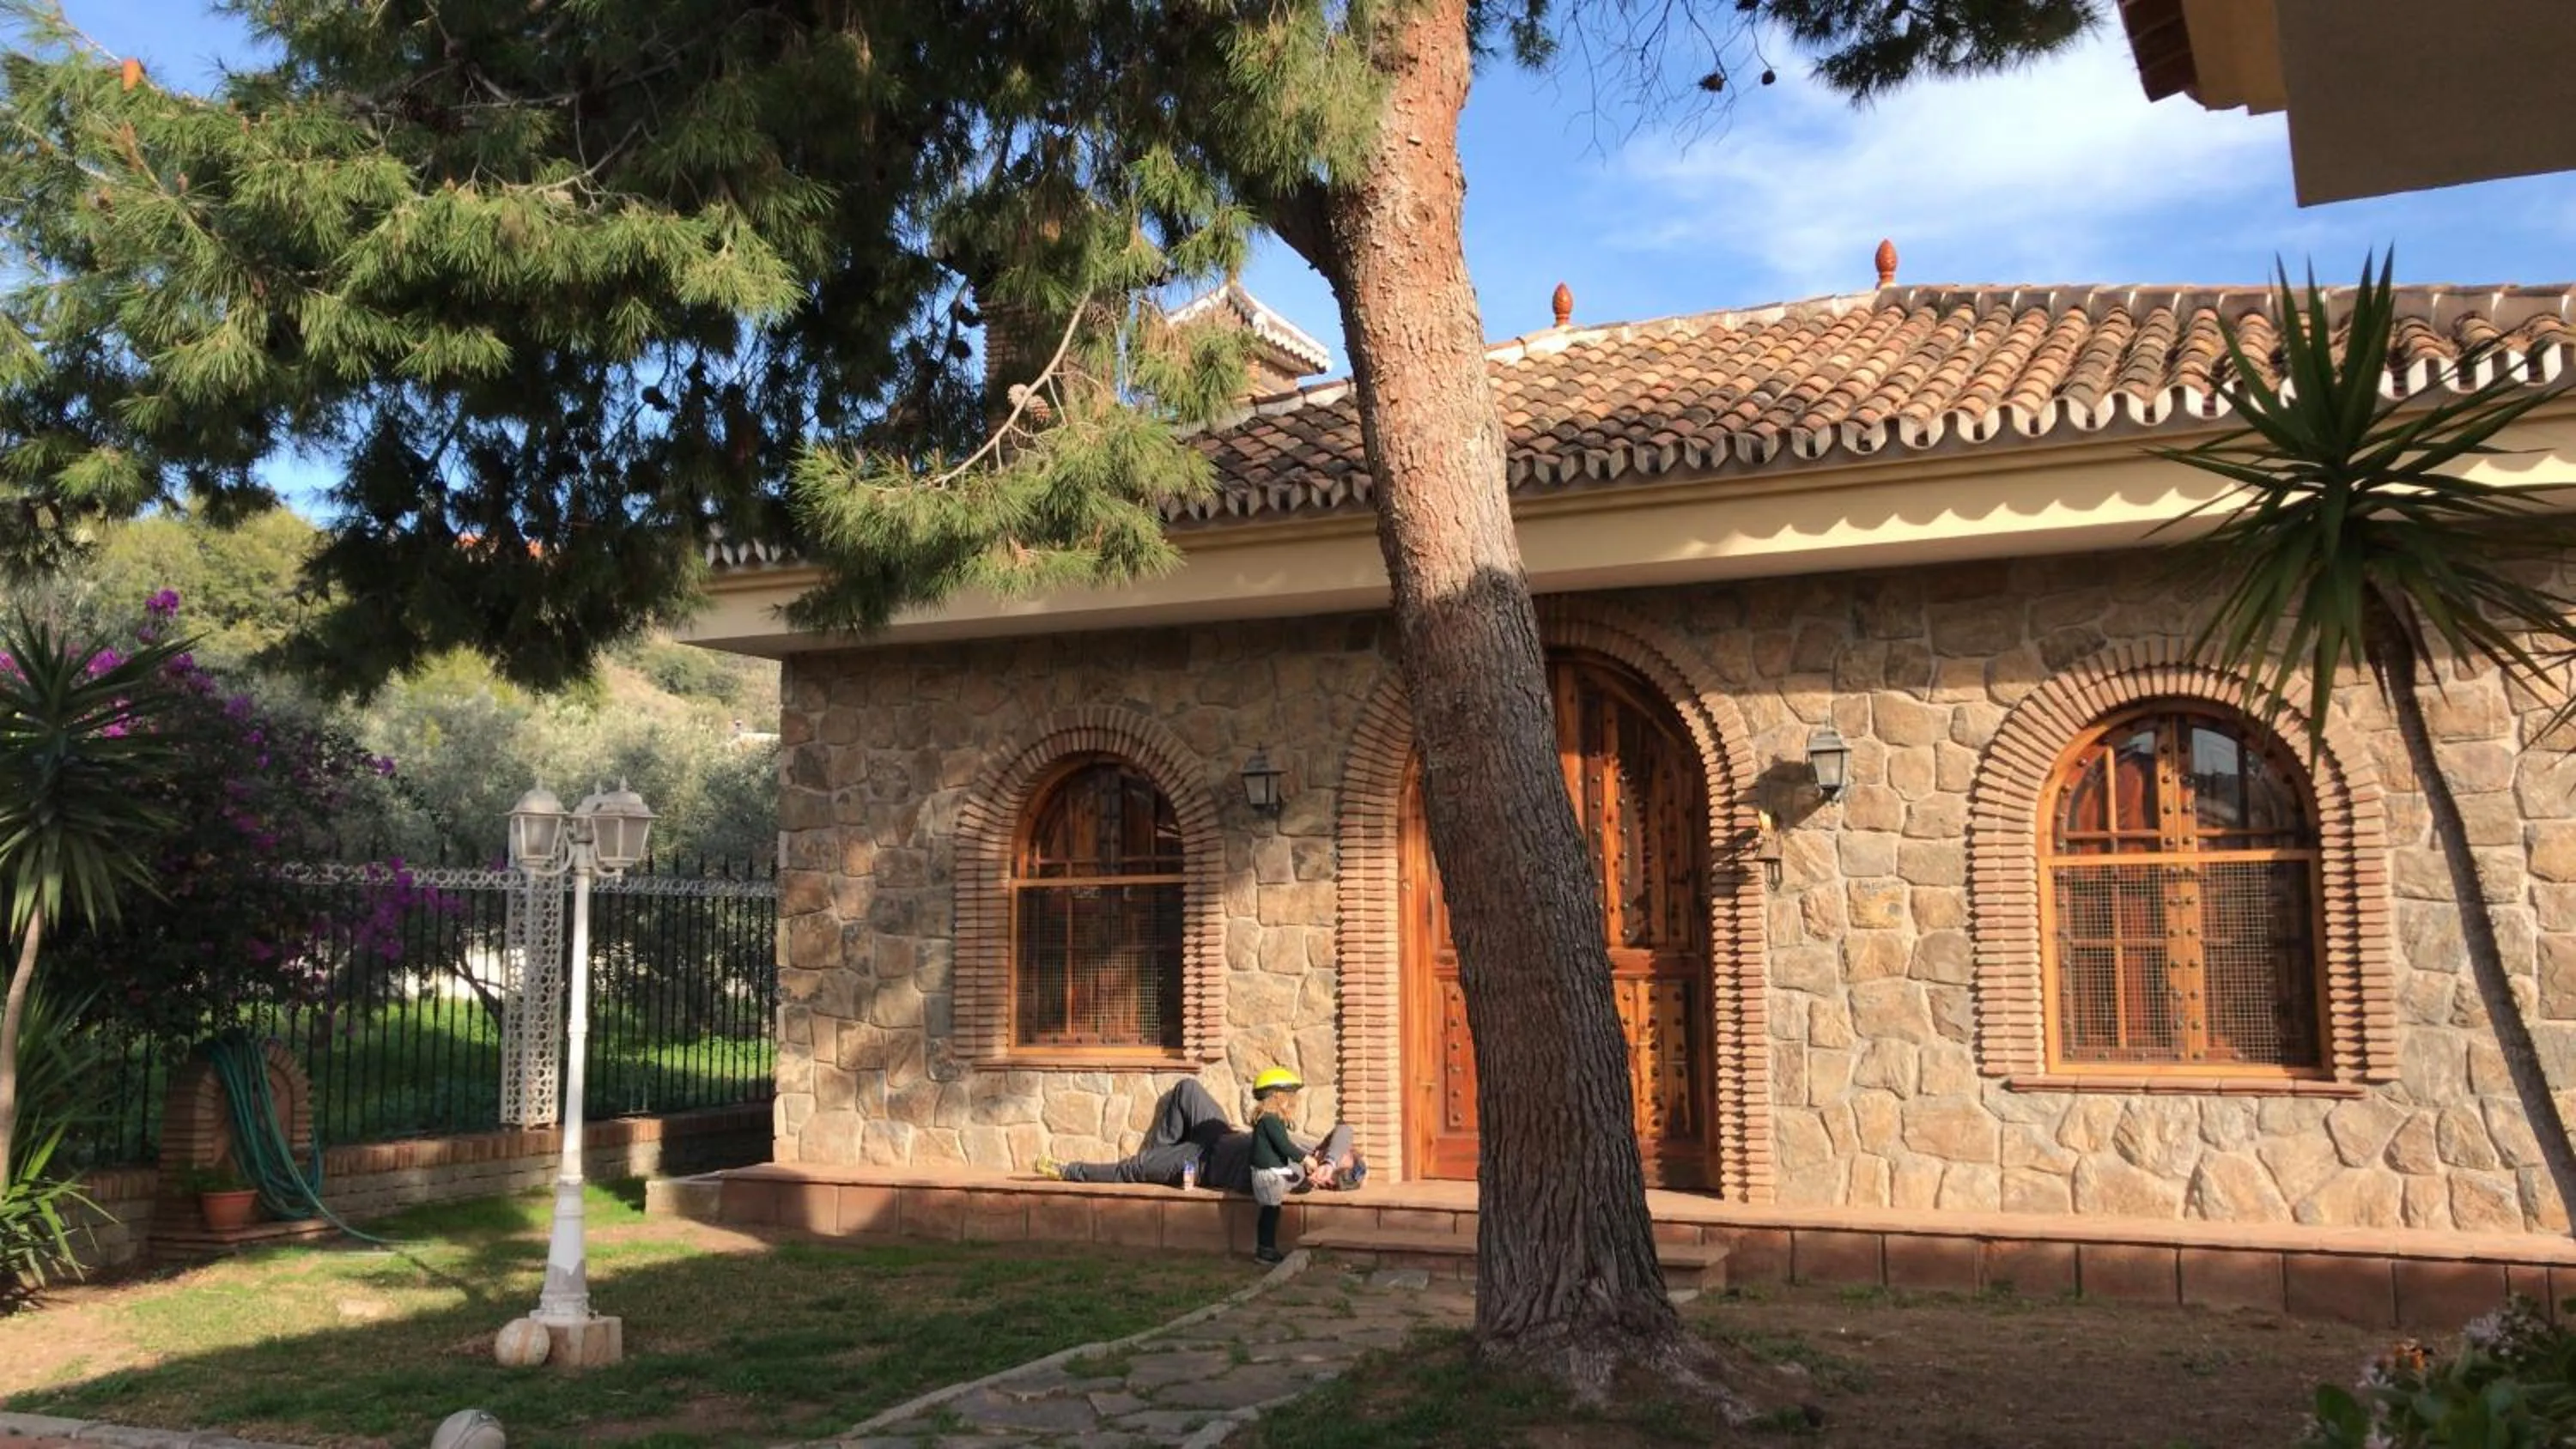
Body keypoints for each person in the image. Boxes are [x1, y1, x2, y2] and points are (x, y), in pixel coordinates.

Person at [1035, 1071, 1365, 1260]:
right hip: (1219, 1132)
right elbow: (1344, 1130)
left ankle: (1067, 1170)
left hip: (1199, 1162)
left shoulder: (1295, 1179)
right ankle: (1161, 1150)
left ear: (1329, 1183)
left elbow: (1265, 1181)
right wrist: (1330, 1158)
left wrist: (1312, 1169)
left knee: (1129, 1169)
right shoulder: (1317, 1153)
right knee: (1188, 1088)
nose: (1326, 1160)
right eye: (1332, 1158)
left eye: (1333, 1169)